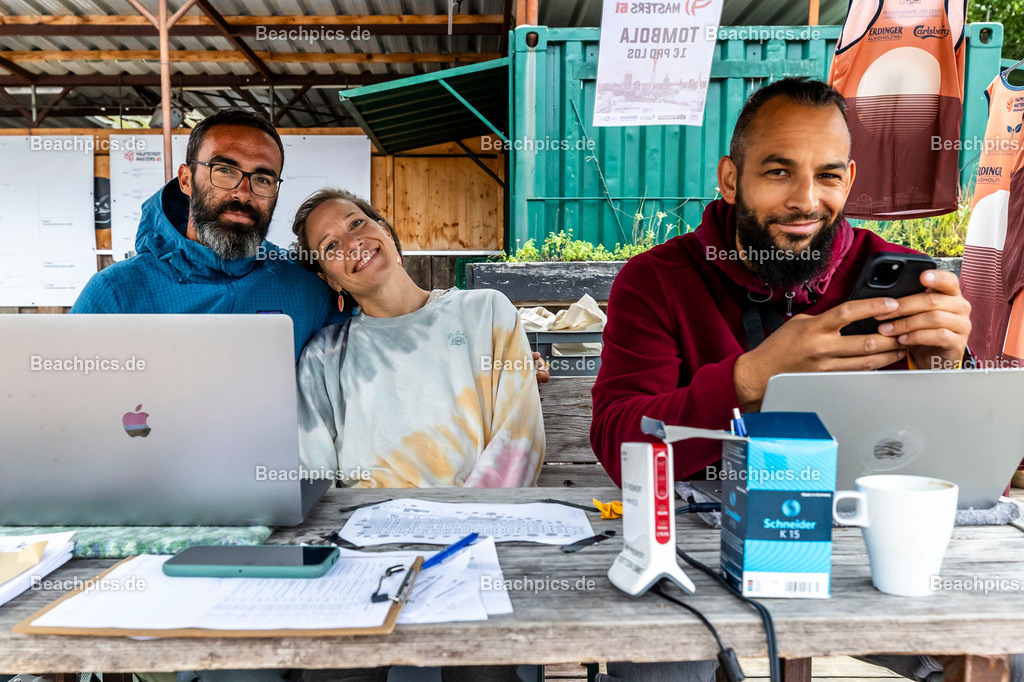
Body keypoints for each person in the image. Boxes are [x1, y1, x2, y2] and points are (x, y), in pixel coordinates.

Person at [589, 77, 974, 682]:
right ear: (730, 179)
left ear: (848, 180)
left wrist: (945, 368)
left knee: (1004, 645)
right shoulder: (657, 280)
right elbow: (620, 445)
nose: (805, 200)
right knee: (657, 663)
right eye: (778, 172)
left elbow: (972, 473)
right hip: (697, 549)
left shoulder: (894, 278)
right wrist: (750, 377)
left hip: (855, 542)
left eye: (827, 176)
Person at [292, 187, 545, 490]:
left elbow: (518, 440)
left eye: (356, 223)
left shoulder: (486, 312)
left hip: (479, 515)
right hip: (366, 517)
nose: (352, 243)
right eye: (331, 245)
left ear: (386, 232)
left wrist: (470, 514)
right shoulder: (324, 358)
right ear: (329, 279)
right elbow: (315, 477)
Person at [70, 108, 342, 359]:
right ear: (186, 180)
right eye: (224, 170)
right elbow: (64, 387)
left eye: (262, 179)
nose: (243, 193)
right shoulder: (118, 293)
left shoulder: (306, 288)